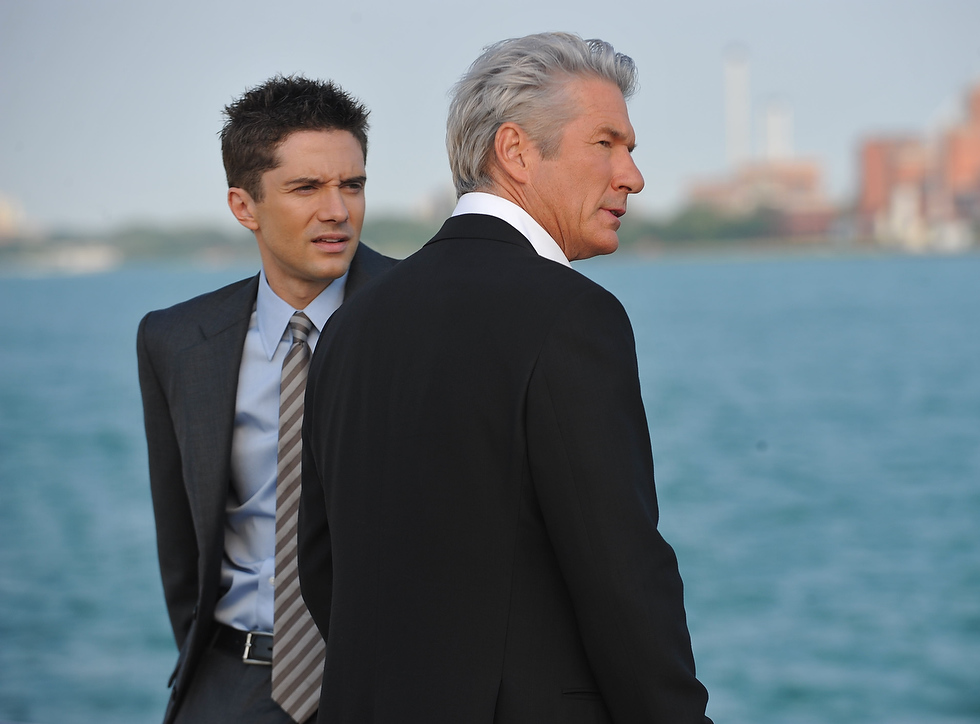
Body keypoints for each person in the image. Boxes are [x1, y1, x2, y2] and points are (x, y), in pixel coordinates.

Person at [299, 33, 712, 723]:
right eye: (606, 144)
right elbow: (622, 577)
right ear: (516, 151)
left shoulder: (349, 323)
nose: (633, 176)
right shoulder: (572, 315)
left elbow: (322, 567)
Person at [137, 75, 396, 724]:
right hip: (230, 685)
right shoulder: (176, 340)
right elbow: (181, 543)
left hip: (388, 686)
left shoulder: (426, 318)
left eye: (352, 185)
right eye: (306, 188)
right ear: (244, 205)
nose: (337, 210)